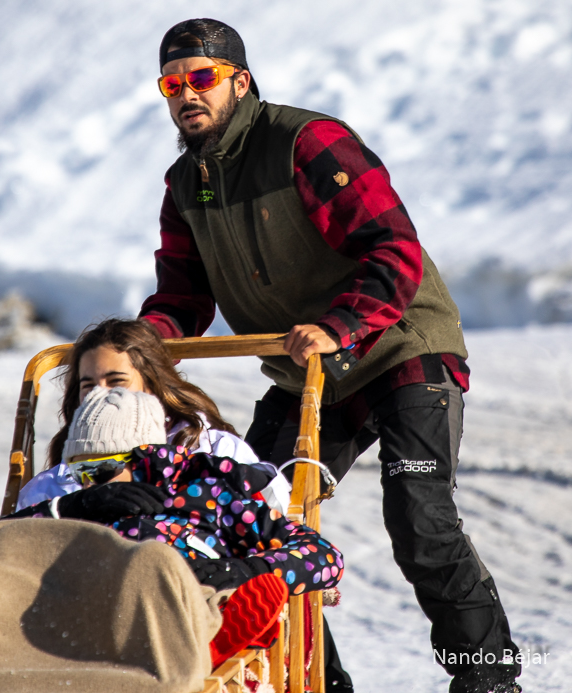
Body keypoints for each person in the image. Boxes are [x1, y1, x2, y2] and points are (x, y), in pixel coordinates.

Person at [137, 18, 519, 693]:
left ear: (240, 82)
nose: (187, 94)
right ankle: (319, 682)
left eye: (202, 77)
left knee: (420, 519)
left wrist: (339, 325)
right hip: (307, 374)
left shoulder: (306, 142)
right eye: (172, 84)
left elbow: (393, 248)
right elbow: (183, 295)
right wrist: (142, 344)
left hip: (399, 347)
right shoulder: (185, 185)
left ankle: (489, 680)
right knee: (248, 525)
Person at [7, 386, 344, 666]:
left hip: (188, 599)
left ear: (145, 458)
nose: (90, 484)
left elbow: (324, 556)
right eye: (79, 473)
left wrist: (244, 571)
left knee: (171, 578)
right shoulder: (76, 507)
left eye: (102, 469)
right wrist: (66, 506)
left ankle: (208, 646)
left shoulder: (208, 495)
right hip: (91, 611)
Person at [15, 318, 291, 515]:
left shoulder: (215, 451)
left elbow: (270, 515)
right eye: (88, 386)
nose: (101, 394)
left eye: (117, 381)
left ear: (152, 384)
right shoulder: (58, 480)